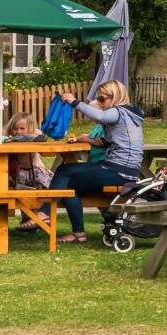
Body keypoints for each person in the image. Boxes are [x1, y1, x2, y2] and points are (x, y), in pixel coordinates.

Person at [46, 81, 143, 244]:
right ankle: (78, 234)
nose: (99, 103)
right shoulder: (128, 115)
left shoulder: (118, 112)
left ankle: (44, 213)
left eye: (101, 99)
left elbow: (100, 116)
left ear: (115, 97)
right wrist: (94, 140)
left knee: (64, 172)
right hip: (121, 168)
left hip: (119, 171)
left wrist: (74, 102)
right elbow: (113, 140)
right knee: (69, 185)